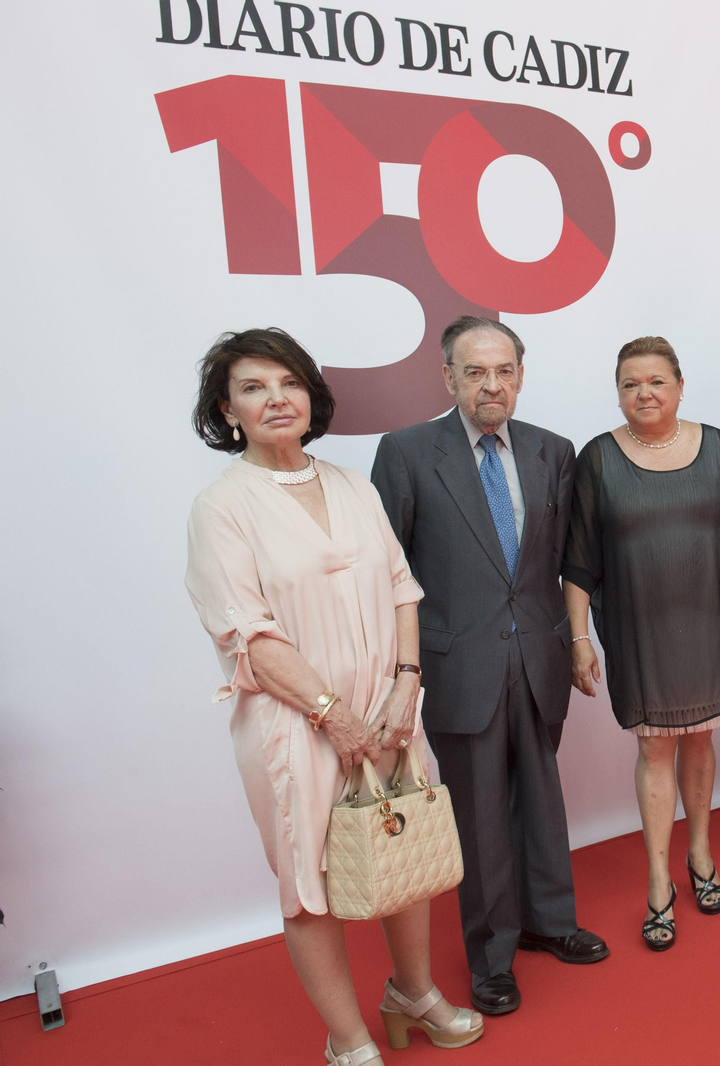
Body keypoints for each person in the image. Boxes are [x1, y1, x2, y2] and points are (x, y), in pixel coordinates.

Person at [185, 329, 481, 1066]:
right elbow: (247, 637)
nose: (275, 398)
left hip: (388, 710)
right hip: (296, 726)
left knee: (403, 849)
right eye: (253, 388)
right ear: (228, 412)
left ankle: (412, 995)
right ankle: (347, 1039)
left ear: (310, 394)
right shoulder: (221, 508)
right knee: (310, 884)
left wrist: (405, 688)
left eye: (287, 382)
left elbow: (402, 590)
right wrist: (334, 716)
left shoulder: (353, 484)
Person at [371, 317, 607, 1017]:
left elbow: (566, 559)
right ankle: (492, 957)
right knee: (479, 816)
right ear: (448, 377)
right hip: (456, 664)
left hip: (538, 654)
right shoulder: (408, 453)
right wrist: (400, 672)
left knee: (542, 796)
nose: (491, 385)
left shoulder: (552, 451)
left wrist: (574, 637)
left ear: (521, 375)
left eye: (504, 370)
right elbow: (389, 574)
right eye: (475, 372)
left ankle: (551, 922)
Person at [561, 336, 720, 950]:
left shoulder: (718, 450)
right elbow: (579, 560)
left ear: (680, 386)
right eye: (630, 383)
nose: (644, 393)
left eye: (656, 381)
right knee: (655, 748)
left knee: (700, 740)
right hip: (638, 627)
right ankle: (659, 881)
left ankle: (700, 856)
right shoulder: (598, 459)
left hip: (709, 621)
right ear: (618, 394)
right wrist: (579, 639)